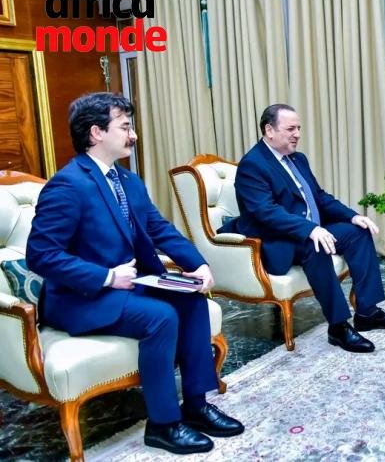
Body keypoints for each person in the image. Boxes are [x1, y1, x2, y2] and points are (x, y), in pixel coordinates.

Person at [26, 92, 243, 455]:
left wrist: (197, 264)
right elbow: (41, 255)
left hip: (127, 286)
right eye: (125, 127)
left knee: (191, 300)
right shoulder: (68, 185)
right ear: (96, 132)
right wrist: (107, 277)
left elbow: (159, 229)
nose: (134, 135)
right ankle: (163, 424)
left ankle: (196, 405)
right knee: (159, 316)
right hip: (81, 298)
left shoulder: (127, 181)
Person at [231, 104, 385, 353]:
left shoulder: (297, 159)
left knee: (358, 232)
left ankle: (367, 313)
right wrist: (309, 229)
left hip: (308, 230)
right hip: (277, 240)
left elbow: (320, 197)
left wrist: (353, 216)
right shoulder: (252, 165)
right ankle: (338, 327)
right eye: (290, 129)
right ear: (269, 130)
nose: (297, 134)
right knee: (314, 244)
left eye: (298, 128)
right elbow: (266, 212)